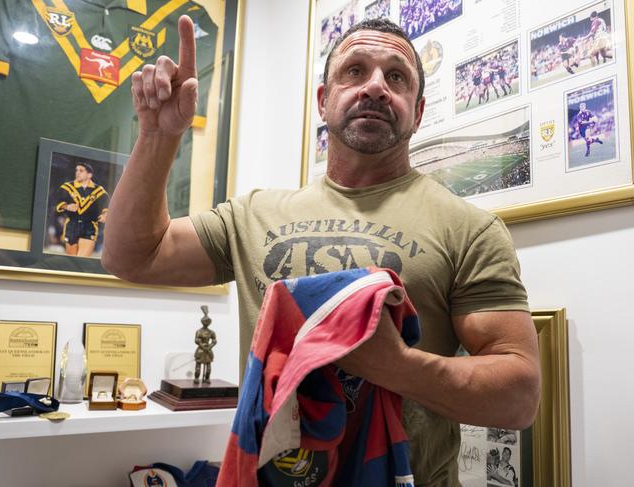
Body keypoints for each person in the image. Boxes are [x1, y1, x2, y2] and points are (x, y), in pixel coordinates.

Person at [102, 16, 541, 486]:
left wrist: (397, 367)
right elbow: (131, 255)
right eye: (354, 71)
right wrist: (158, 135)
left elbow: (518, 397)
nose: (375, 87)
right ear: (322, 100)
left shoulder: (469, 228)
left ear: (417, 110)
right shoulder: (253, 214)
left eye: (396, 77)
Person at [55, 162, 108, 257]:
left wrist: (105, 215)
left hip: (89, 226)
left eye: (81, 170)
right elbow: (56, 202)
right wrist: (66, 206)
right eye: (76, 170)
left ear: (89, 175)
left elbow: (107, 206)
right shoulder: (67, 187)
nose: (78, 173)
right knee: (71, 261)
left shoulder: (99, 191)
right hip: (71, 226)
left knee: (82, 260)